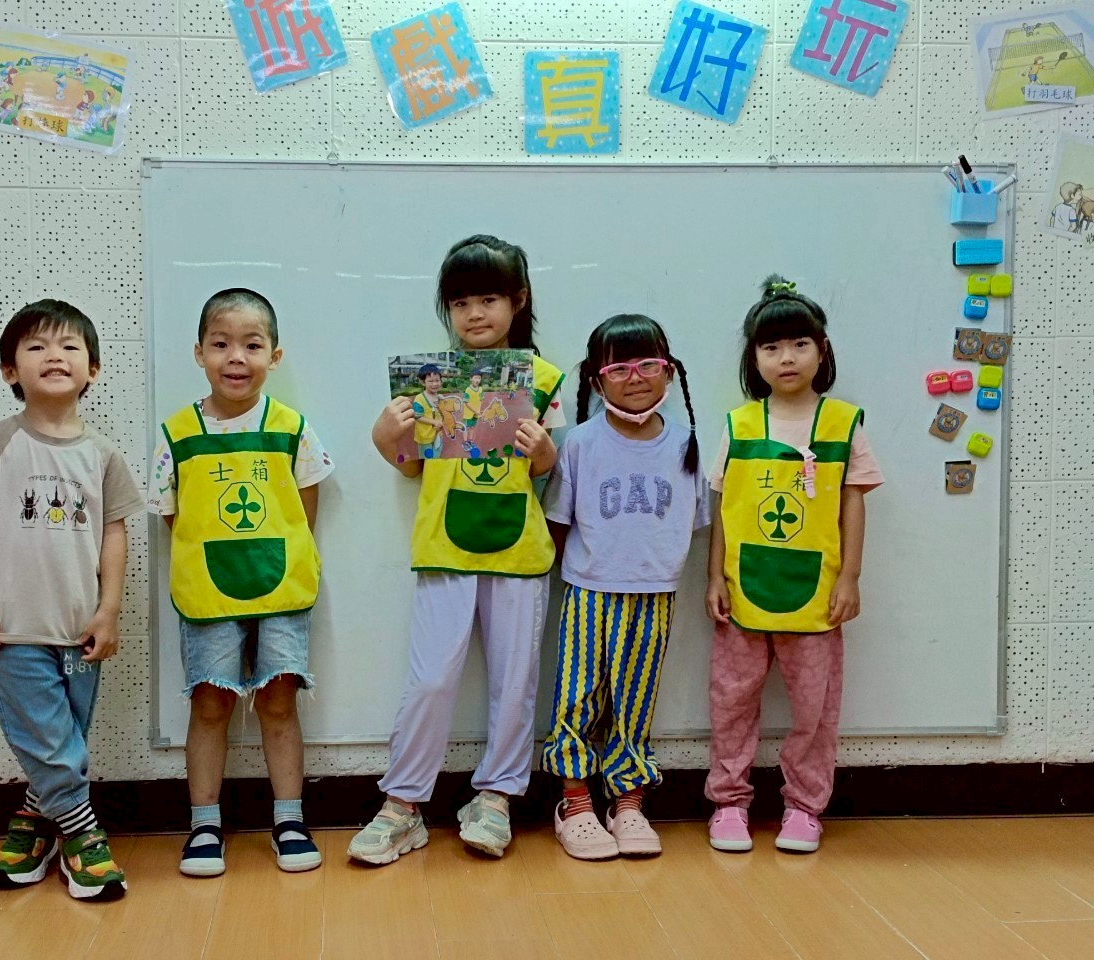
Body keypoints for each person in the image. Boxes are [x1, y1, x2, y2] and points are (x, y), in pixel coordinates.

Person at [352, 235, 564, 863]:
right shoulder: (431, 381)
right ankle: (402, 805)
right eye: (461, 302)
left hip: (519, 552)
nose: (475, 314)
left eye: (489, 299)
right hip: (444, 547)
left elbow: (546, 470)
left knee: (515, 682)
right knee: (431, 679)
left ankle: (496, 797)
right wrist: (385, 439)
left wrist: (544, 455)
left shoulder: (544, 379)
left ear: (517, 301)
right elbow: (411, 465)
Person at [0, 299, 142, 900]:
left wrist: (108, 610)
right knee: (49, 738)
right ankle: (82, 836)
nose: (54, 356)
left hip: (80, 629)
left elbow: (114, 534)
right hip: (15, 628)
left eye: (68, 346)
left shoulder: (103, 455)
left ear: (93, 369)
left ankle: (35, 821)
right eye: (36, 347)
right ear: (11, 370)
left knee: (62, 739)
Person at [148, 288, 333, 876]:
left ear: (274, 356)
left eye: (252, 345)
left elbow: (305, 506)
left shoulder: (292, 428)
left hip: (281, 589)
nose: (236, 357)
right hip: (209, 592)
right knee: (211, 703)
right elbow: (174, 514)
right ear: (198, 352)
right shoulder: (177, 434)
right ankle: (205, 825)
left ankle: (289, 819)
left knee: (279, 701)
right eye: (220, 344)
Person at [704, 276, 883, 855]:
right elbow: (723, 509)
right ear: (753, 358)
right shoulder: (738, 425)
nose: (786, 358)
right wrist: (713, 576)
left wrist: (850, 577)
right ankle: (729, 802)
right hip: (743, 591)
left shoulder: (843, 423)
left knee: (815, 709)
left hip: (817, 595)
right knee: (731, 701)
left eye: (800, 344)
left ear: (821, 351)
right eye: (772, 347)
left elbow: (853, 503)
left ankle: (804, 808)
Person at [539, 314, 708, 860]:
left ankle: (628, 802)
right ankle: (574, 802)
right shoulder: (581, 443)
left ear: (668, 371)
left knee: (635, 700)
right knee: (577, 698)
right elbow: (557, 523)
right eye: (619, 368)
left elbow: (698, 522)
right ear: (597, 379)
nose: (635, 378)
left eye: (648, 365)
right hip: (588, 592)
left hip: (656, 594)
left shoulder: (686, 444)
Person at [411, 363, 446, 458]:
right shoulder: (419, 399)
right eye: (431, 381)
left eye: (437, 380)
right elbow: (417, 417)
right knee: (427, 458)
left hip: (438, 433)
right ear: (423, 382)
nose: (435, 384)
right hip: (425, 435)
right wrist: (433, 422)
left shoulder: (438, 396)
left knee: (437, 455)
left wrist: (440, 400)